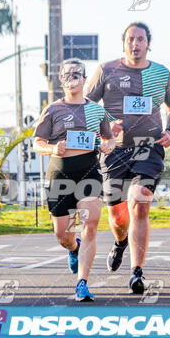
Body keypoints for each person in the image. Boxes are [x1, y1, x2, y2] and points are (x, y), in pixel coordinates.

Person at [85, 22, 170, 294]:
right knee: (117, 218)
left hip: (147, 147)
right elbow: (85, 107)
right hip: (114, 150)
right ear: (124, 43)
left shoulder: (161, 73)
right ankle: (120, 243)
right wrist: (106, 125)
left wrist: (169, 131)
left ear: (148, 43)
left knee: (139, 202)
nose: (135, 44)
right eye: (131, 39)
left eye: (140, 39)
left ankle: (136, 272)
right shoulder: (106, 70)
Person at [33, 58, 116, 301]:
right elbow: (37, 143)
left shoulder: (96, 110)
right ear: (61, 80)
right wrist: (52, 149)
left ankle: (82, 283)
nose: (72, 79)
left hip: (89, 172)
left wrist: (107, 145)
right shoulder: (52, 109)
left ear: (84, 78)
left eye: (76, 75)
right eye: (67, 76)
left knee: (89, 224)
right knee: (63, 234)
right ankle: (74, 248)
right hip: (59, 174)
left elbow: (108, 138)